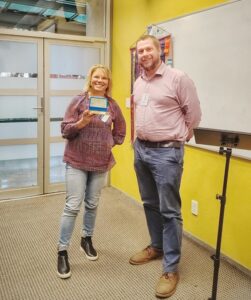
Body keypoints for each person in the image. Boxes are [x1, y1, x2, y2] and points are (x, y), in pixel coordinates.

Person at [129, 35, 201, 298]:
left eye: (148, 49)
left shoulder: (177, 78)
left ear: (159, 52)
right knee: (149, 203)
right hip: (142, 149)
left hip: (167, 152)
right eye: (140, 50)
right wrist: (137, 142)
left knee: (170, 211)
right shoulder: (139, 81)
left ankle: (170, 268)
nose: (144, 53)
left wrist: (181, 135)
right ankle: (156, 246)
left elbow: (193, 113)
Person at [57, 64, 126, 279]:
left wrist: (108, 143)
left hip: (100, 163)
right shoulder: (78, 101)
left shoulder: (112, 106)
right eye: (96, 77)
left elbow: (121, 131)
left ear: (108, 82)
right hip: (77, 161)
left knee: (93, 204)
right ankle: (62, 251)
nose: (100, 81)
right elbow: (65, 131)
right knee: (72, 206)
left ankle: (86, 239)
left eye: (104, 78)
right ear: (90, 79)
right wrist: (81, 122)